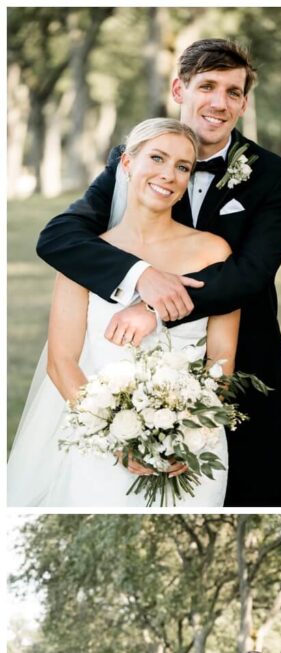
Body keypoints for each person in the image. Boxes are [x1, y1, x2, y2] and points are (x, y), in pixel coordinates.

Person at [33, 38, 281, 507]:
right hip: (125, 396)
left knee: (258, 503)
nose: (219, 103)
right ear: (179, 89)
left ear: (243, 103)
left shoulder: (275, 175)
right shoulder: (136, 155)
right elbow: (59, 238)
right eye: (208, 86)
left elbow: (250, 275)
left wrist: (155, 309)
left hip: (245, 379)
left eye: (234, 92)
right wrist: (140, 276)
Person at [7, 117, 238, 507]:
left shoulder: (214, 251)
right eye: (157, 158)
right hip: (99, 454)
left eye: (183, 167)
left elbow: (222, 359)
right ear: (127, 165)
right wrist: (116, 438)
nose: (169, 174)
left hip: (191, 452)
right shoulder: (84, 256)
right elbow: (62, 363)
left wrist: (191, 431)